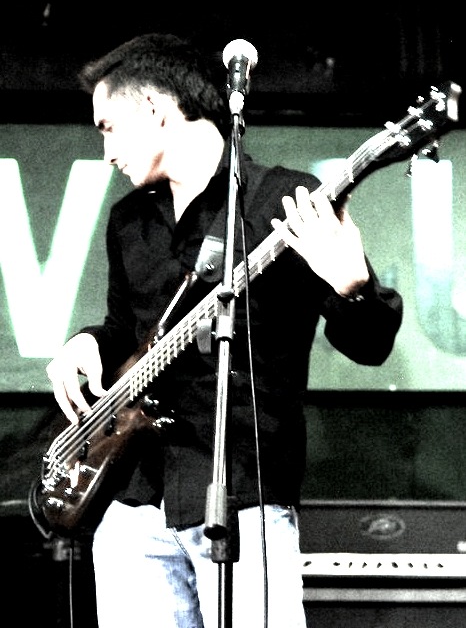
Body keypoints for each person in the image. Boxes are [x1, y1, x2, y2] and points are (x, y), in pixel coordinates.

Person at [44, 32, 403, 628]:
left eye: (109, 127)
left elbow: (370, 346)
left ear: (155, 109)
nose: (105, 152)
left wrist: (352, 287)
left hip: (241, 498)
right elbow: (126, 330)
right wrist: (88, 341)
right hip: (133, 498)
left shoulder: (283, 201)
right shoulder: (129, 219)